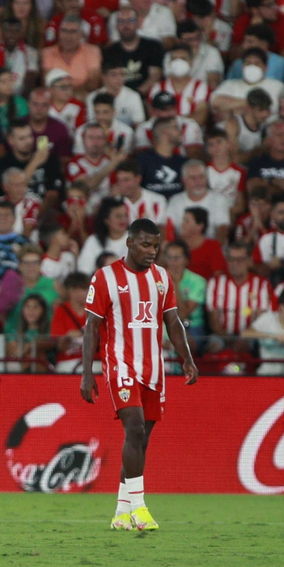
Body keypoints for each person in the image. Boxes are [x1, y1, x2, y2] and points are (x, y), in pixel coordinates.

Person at [78, 218, 199, 532]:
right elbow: (91, 326)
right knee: (134, 429)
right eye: (146, 245)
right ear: (130, 243)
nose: (152, 251)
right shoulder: (106, 277)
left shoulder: (162, 277)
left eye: (156, 246)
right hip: (121, 365)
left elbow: (172, 322)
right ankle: (140, 508)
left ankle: (121, 512)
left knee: (141, 440)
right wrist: (87, 373)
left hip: (154, 368)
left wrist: (186, 358)